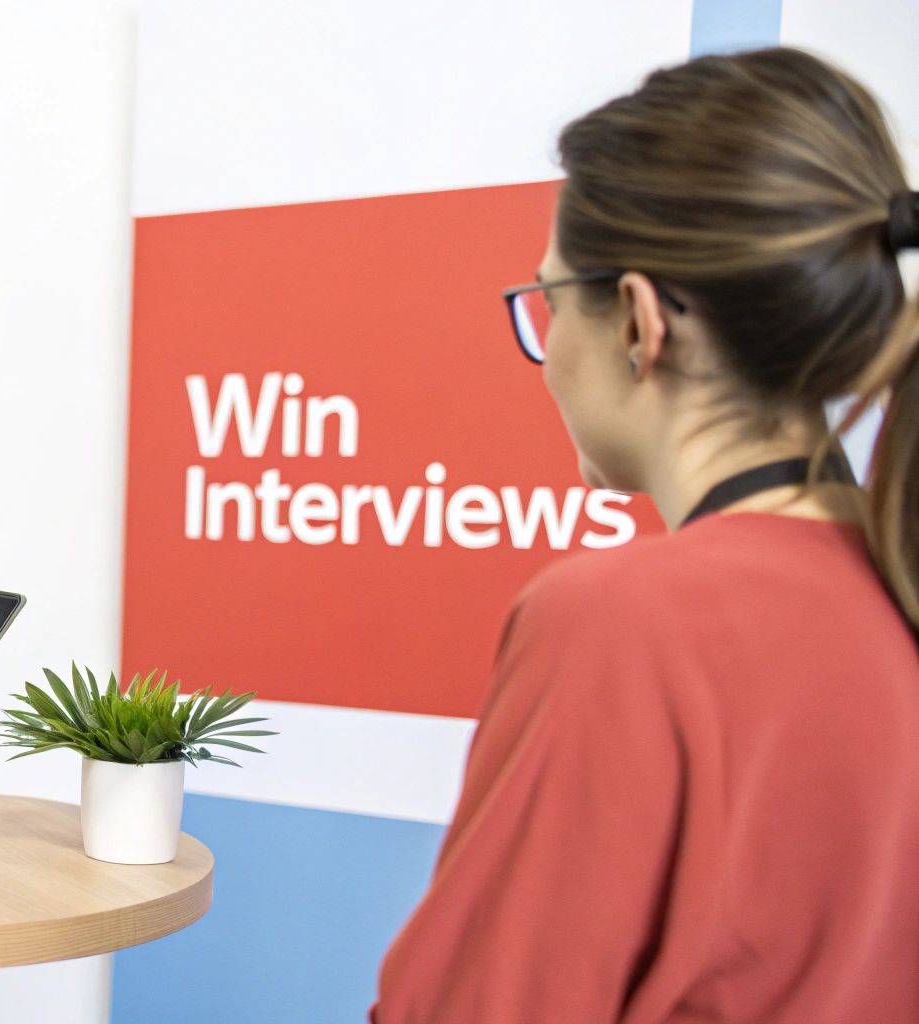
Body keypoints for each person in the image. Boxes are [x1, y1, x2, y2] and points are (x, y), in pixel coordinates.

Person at [373, 48, 919, 1021]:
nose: (544, 358)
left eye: (546, 301)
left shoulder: (627, 622)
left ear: (636, 319)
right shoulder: (892, 576)